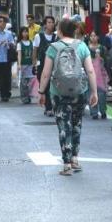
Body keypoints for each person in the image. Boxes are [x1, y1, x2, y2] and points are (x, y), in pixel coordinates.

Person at [38, 19, 99, 176]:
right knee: (76, 124)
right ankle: (75, 159)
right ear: (75, 31)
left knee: (64, 127)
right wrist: (94, 91)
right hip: (79, 91)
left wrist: (41, 92)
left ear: (59, 31)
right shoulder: (82, 46)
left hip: (58, 92)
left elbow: (46, 73)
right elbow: (90, 71)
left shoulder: (53, 48)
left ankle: (66, 164)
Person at [33, 16, 58, 117]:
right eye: (49, 22)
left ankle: (52, 106)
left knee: (53, 86)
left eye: (52, 22)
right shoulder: (39, 37)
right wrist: (34, 63)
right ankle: (48, 107)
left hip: (54, 65)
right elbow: (35, 51)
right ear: (44, 25)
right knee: (45, 86)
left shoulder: (56, 37)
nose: (51, 24)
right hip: (42, 65)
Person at [0, 15, 15, 102]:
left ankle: (4, 94)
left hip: (6, 58)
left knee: (6, 77)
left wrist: (8, 44)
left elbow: (12, 44)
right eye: (0, 21)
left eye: (4, 22)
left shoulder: (8, 34)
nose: (2, 23)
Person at [85, 32, 109, 119]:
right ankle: (94, 112)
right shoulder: (86, 49)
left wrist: (100, 58)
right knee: (91, 92)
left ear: (98, 37)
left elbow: (107, 60)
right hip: (90, 73)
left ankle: (103, 111)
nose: (93, 37)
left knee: (102, 94)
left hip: (101, 74)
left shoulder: (102, 48)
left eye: (95, 35)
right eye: (91, 36)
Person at [17, 26, 34, 104]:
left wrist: (35, 62)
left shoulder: (31, 42)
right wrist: (19, 64)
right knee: (24, 82)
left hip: (30, 64)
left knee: (31, 81)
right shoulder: (19, 44)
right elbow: (19, 55)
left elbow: (34, 53)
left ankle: (29, 96)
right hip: (24, 64)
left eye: (26, 32)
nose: (25, 33)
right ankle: (24, 97)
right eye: (23, 32)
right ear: (21, 33)